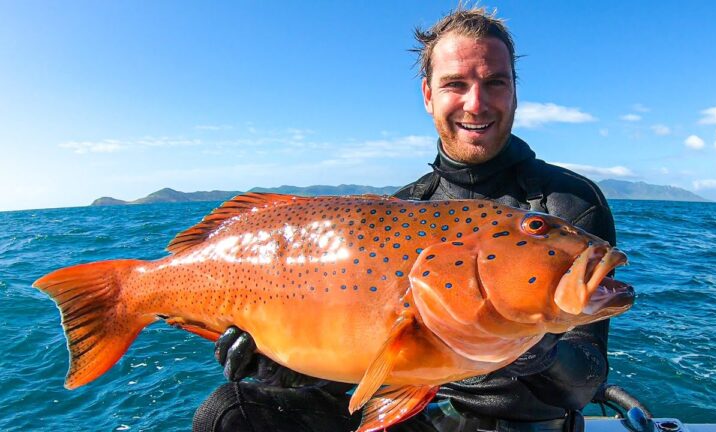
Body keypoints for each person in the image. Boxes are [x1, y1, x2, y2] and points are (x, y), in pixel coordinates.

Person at [193, 6, 616, 432]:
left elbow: (586, 377)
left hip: (526, 426)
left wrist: (533, 349)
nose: (476, 102)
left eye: (495, 83)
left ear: (514, 92)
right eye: (455, 84)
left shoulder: (569, 203)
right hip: (417, 419)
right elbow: (366, 355)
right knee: (228, 413)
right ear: (429, 94)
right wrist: (288, 367)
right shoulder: (403, 206)